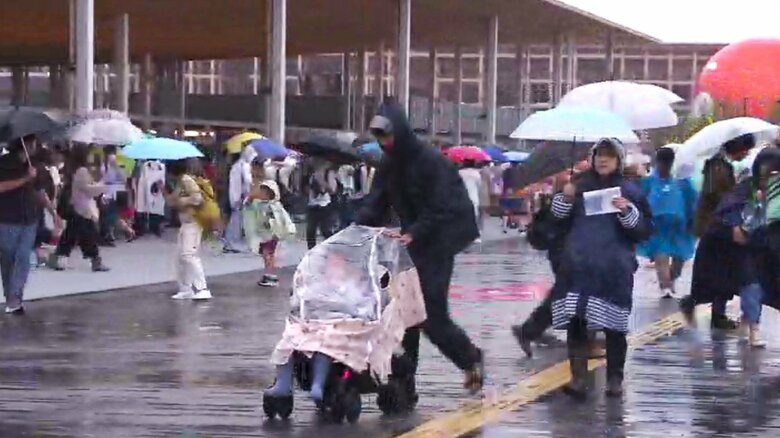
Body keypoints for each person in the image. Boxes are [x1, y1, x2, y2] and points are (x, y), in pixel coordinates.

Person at [357, 101, 484, 398]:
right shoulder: (388, 163)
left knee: (429, 313)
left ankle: (470, 358)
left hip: (442, 235)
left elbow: (442, 206)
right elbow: (376, 202)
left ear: (399, 132)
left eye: (387, 136)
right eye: (379, 138)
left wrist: (414, 232)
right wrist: (356, 229)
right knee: (402, 311)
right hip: (412, 238)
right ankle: (404, 380)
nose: (384, 143)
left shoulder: (429, 160)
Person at [550, 138, 652, 399]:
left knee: (614, 325)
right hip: (578, 266)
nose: (602, 160)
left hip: (612, 269)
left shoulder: (630, 191)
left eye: (609, 155)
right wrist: (565, 195)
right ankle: (578, 378)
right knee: (577, 321)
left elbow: (642, 231)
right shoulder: (579, 185)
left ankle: (614, 379)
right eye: (599, 155)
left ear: (618, 160)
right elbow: (557, 218)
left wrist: (628, 212)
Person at [681, 135, 757, 331]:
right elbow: (714, 193)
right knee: (712, 272)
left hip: (723, 228)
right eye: (745, 149)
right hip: (716, 228)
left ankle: (717, 313)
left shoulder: (723, 165)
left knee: (723, 273)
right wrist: (736, 192)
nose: (746, 153)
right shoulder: (716, 166)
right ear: (737, 148)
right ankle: (695, 304)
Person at [638, 147, 697, 299]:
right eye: (662, 164)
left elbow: (692, 201)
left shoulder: (682, 182)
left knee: (679, 259)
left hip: (680, 227)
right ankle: (665, 286)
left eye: (668, 164)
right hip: (658, 226)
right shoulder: (649, 181)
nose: (664, 167)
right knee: (660, 256)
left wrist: (694, 220)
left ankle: (671, 279)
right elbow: (639, 199)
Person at [0, 135, 49, 314]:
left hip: (29, 218)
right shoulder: (5, 163)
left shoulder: (34, 164)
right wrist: (25, 178)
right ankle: (10, 295)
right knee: (8, 259)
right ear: (27, 144)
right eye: (34, 142)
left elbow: (39, 192)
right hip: (8, 219)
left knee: (23, 258)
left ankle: (15, 297)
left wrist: (53, 213)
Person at [51, 145, 110, 273]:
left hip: (76, 206)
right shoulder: (82, 170)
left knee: (71, 235)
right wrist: (102, 187)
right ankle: (95, 261)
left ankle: (60, 259)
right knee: (88, 236)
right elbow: (87, 189)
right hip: (82, 208)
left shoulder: (73, 169)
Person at [165, 159, 212, 300]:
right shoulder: (181, 181)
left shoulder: (186, 180)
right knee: (181, 257)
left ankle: (202, 287)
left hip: (193, 222)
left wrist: (182, 201)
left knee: (188, 254)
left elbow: (197, 199)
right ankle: (186, 287)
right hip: (186, 222)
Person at [244, 167, 296, 288]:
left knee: (268, 254)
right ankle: (269, 274)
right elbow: (248, 207)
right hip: (263, 235)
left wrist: (277, 229)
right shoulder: (260, 204)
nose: (261, 194)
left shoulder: (273, 207)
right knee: (266, 254)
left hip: (271, 235)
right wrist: (251, 197)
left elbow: (279, 219)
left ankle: (270, 275)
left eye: (264, 192)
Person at [224, 145, 257, 253]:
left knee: (236, 221)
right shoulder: (244, 166)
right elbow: (248, 181)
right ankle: (232, 243)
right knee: (237, 222)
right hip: (240, 197)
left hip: (237, 196)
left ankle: (230, 243)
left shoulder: (237, 166)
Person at [305, 159, 338, 249]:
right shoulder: (310, 172)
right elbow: (306, 187)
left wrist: (321, 181)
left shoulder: (329, 172)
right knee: (310, 230)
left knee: (326, 230)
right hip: (312, 204)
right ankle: (311, 251)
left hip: (324, 205)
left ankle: (332, 248)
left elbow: (333, 190)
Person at [99, 148, 127, 246]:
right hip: (105, 189)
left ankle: (110, 233)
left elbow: (124, 178)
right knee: (106, 212)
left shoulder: (118, 165)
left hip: (116, 190)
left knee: (112, 212)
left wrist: (116, 165)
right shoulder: (102, 165)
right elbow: (100, 177)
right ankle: (106, 234)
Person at [458, 160, 483, 240]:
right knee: (474, 216)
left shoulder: (459, 173)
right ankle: (475, 236)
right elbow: (479, 186)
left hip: (461, 196)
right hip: (473, 196)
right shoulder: (476, 174)